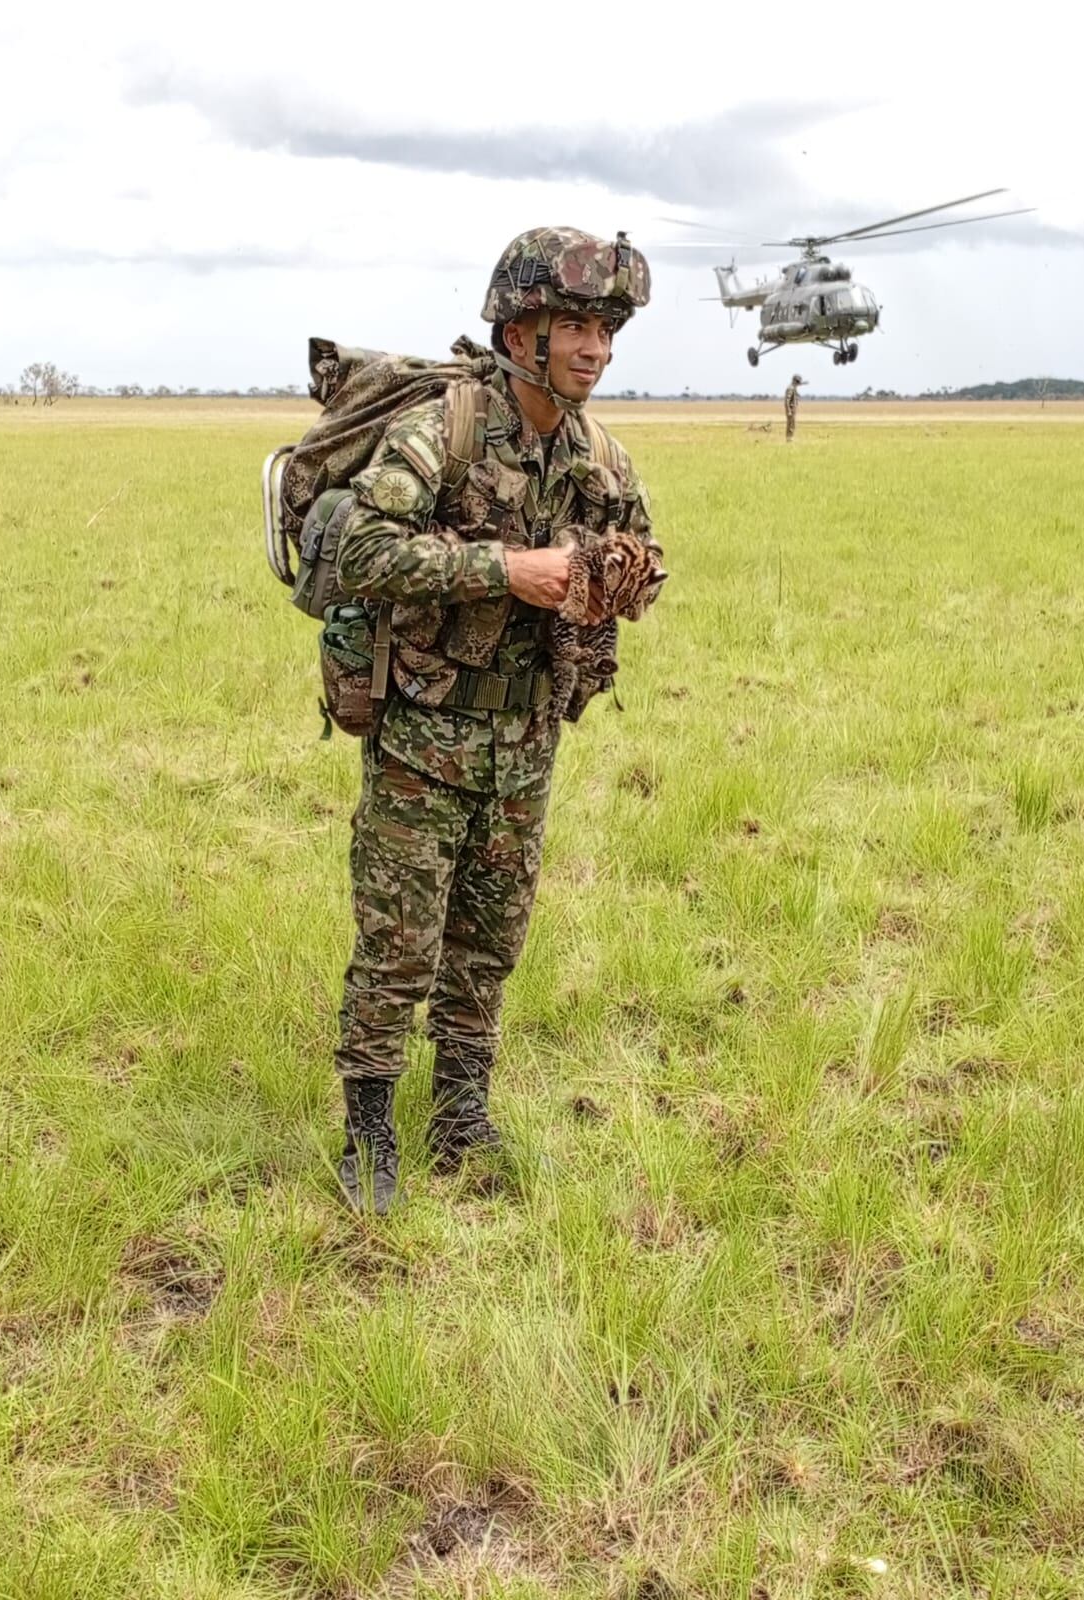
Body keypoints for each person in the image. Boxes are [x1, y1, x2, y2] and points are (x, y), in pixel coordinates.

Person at [326, 228, 663, 1214]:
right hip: (424, 737)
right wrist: (504, 571)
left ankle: (461, 1112)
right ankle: (371, 1128)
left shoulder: (597, 453)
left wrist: (616, 577)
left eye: (605, 329)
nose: (594, 348)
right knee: (399, 940)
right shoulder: (444, 431)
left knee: (488, 940)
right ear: (520, 333)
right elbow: (358, 547)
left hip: (526, 741)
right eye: (575, 326)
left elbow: (645, 551)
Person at [784, 373, 805, 441]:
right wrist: (789, 411)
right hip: (791, 409)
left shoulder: (793, 387)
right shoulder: (791, 388)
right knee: (791, 425)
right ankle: (789, 439)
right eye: (797, 381)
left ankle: (790, 438)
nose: (798, 383)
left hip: (793, 409)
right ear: (794, 381)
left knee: (792, 424)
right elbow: (787, 401)